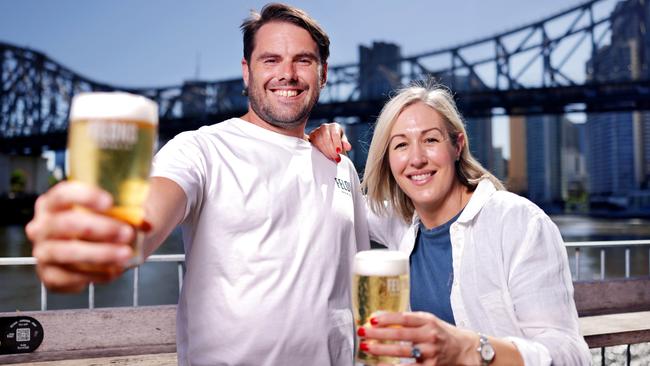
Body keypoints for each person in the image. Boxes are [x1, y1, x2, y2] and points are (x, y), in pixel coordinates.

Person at [25, 4, 370, 365]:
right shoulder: (201, 149)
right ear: (245, 71)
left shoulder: (339, 165)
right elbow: (144, 223)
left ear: (324, 72)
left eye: (303, 60)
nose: (287, 74)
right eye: (270, 60)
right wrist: (96, 236)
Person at [309, 84, 591, 365]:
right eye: (401, 145)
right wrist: (317, 143)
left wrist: (470, 348)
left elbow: (572, 356)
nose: (417, 159)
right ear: (389, 161)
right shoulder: (398, 222)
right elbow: (342, 201)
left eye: (430, 140)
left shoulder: (519, 223)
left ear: (457, 146)